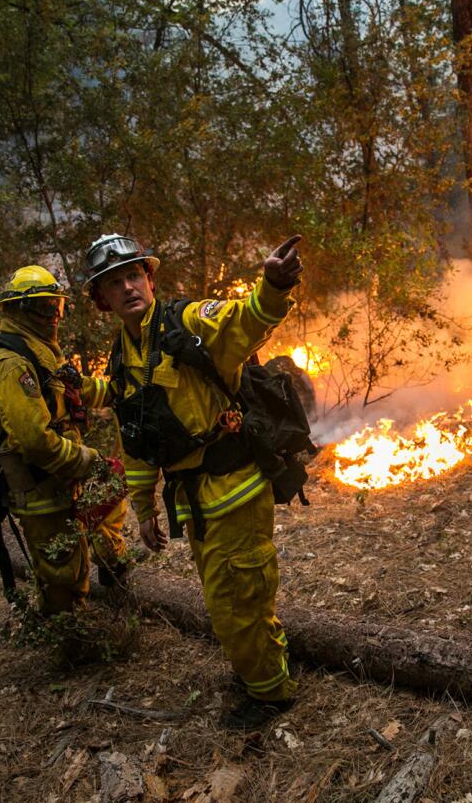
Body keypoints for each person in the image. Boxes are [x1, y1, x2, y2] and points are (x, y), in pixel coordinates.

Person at [83, 232, 304, 729]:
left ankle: (272, 695)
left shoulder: (186, 322)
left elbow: (241, 323)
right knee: (226, 597)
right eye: (113, 283)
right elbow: (135, 440)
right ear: (101, 300)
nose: (127, 287)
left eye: (134, 275)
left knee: (237, 599)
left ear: (150, 278)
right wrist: (143, 510)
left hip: (235, 490)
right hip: (195, 503)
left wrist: (271, 286)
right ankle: (262, 664)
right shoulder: (122, 355)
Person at [0, 265, 130, 617]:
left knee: (111, 496)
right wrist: (88, 460)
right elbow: (35, 442)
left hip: (63, 477)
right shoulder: (11, 365)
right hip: (40, 489)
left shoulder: (37, 351)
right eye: (43, 308)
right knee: (63, 572)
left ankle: (112, 566)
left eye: (55, 307)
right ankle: (66, 635)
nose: (52, 316)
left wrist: (120, 391)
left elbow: (71, 388)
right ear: (16, 310)